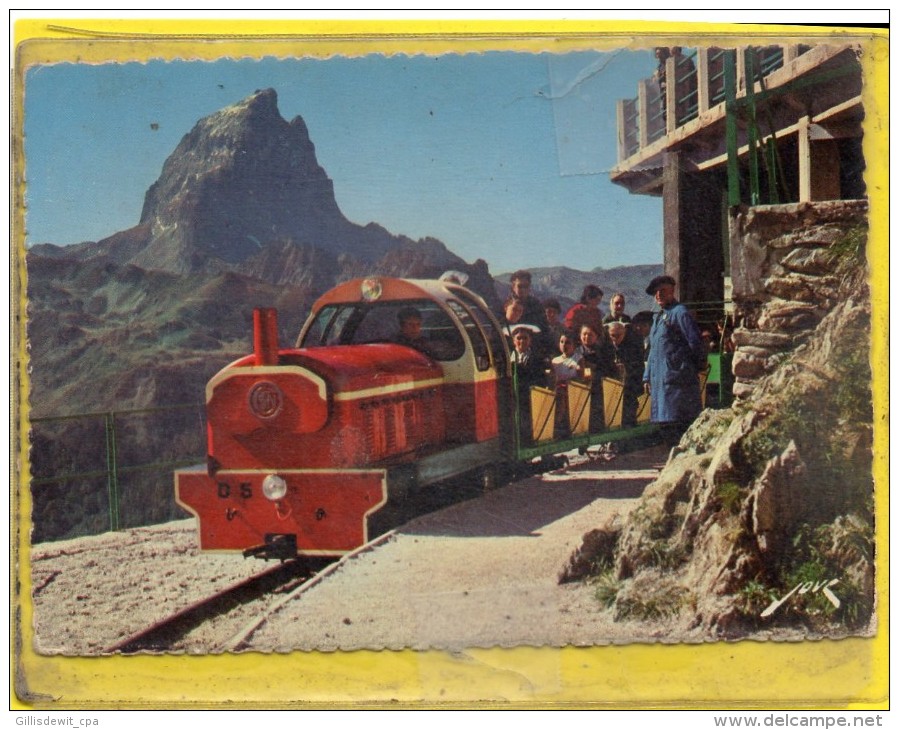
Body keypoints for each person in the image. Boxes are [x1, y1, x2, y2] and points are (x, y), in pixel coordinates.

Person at [642, 275, 707, 443]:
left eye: (662, 291)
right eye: (656, 292)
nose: (659, 295)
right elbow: (653, 350)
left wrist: (693, 367)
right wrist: (647, 376)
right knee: (666, 428)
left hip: (677, 385)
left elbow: (695, 342)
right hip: (661, 384)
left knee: (679, 427)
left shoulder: (680, 313)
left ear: (672, 291)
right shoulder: (658, 319)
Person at [510, 325, 548, 446]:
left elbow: (541, 378)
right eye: (519, 338)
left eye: (525, 338)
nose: (522, 341)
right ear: (514, 340)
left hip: (529, 394)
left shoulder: (537, 358)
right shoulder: (508, 357)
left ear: (530, 340)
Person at [575, 323, 614, 433]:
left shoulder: (602, 351)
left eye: (590, 335)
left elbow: (607, 368)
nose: (586, 337)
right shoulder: (576, 351)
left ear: (596, 336)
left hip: (597, 384)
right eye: (584, 334)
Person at [606, 321, 645, 428]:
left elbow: (638, 369)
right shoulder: (607, 348)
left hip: (629, 389)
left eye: (619, 335)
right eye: (612, 335)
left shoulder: (632, 348)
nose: (615, 338)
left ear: (624, 333)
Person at [508, 270, 551, 356]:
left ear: (530, 287)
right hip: (510, 354)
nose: (523, 290)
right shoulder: (505, 306)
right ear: (513, 286)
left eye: (526, 286)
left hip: (534, 354)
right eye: (520, 286)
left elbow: (544, 330)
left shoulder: (537, 306)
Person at [550, 332, 584, 439]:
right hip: (557, 388)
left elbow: (581, 377)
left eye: (568, 343)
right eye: (562, 342)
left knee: (561, 395)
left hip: (573, 389)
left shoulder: (578, 358)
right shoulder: (555, 360)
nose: (564, 345)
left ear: (574, 345)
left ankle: (559, 425)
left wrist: (577, 369)